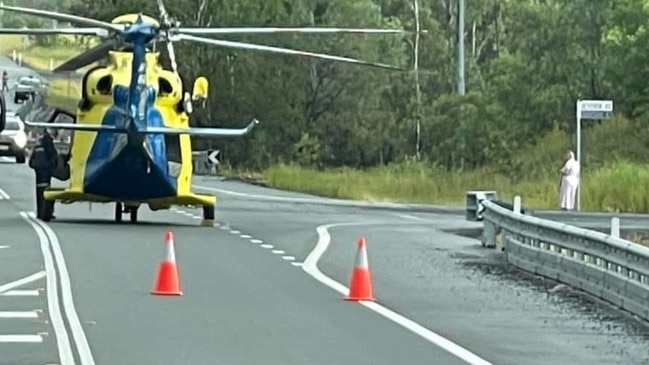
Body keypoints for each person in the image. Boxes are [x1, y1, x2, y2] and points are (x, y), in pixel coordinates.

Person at [29, 128, 58, 219]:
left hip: (38, 168)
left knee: (39, 190)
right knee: (46, 191)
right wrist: (53, 164)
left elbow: (33, 156)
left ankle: (40, 212)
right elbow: (51, 153)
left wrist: (34, 164)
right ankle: (46, 213)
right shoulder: (47, 139)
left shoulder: (40, 140)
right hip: (45, 168)